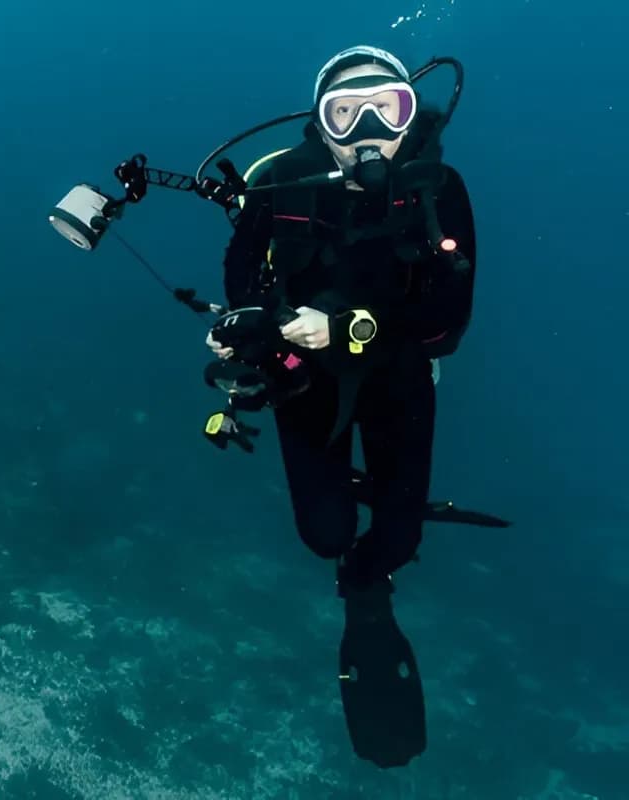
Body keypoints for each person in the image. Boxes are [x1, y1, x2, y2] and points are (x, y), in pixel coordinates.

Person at [205, 45, 478, 767]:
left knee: (394, 545)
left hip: (400, 383)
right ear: (318, 124)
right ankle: (351, 522)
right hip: (308, 384)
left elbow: (449, 324)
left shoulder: (437, 189)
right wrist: (249, 330)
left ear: (410, 116)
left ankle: (370, 586)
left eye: (386, 109)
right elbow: (241, 282)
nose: (366, 129)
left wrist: (356, 327)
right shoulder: (281, 184)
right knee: (324, 534)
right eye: (344, 111)